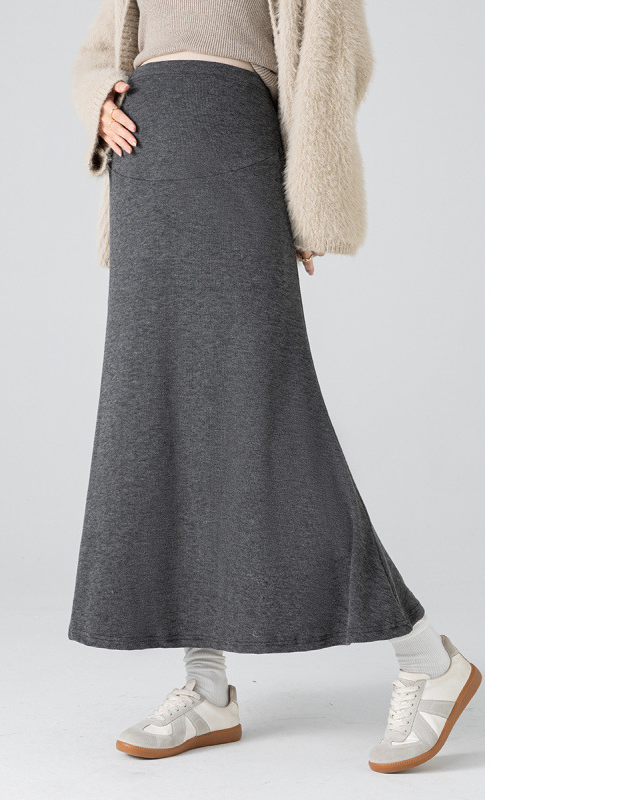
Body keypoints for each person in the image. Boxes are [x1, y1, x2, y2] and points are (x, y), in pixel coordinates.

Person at [67, 0, 481, 773]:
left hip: (233, 146)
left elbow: (334, 53)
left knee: (269, 419)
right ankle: (207, 687)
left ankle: (428, 659)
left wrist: (308, 199)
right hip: (145, 170)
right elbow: (101, 49)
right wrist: (99, 97)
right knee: (164, 412)